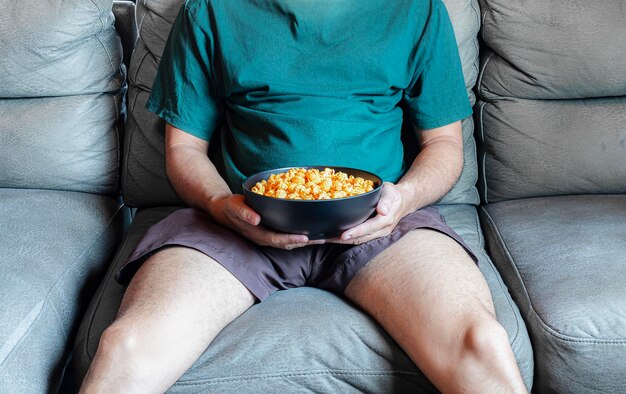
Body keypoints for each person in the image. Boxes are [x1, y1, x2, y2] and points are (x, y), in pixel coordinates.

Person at [81, 0, 527, 392]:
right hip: (240, 219)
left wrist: (403, 199)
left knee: (481, 343)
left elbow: (444, 145)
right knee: (127, 346)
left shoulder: (416, 10)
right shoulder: (210, 10)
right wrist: (220, 204)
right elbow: (184, 149)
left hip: (379, 221)